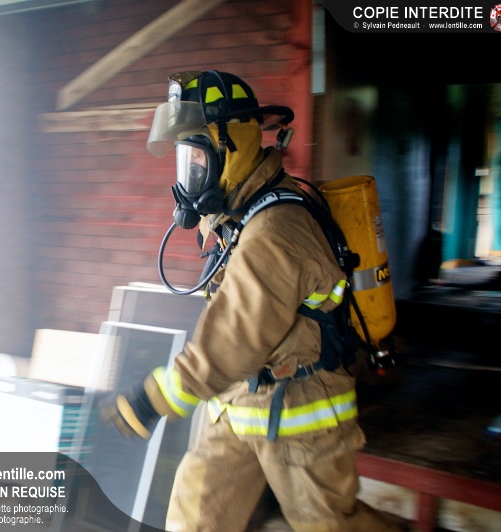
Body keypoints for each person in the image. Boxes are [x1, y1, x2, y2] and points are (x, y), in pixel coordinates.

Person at [102, 70, 406, 531]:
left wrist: (154, 399)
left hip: (302, 407)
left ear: (232, 148)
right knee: (196, 516)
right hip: (240, 400)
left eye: (197, 157)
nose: (190, 174)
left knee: (327, 525)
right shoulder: (240, 216)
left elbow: (235, 337)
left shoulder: (276, 228)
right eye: (185, 160)